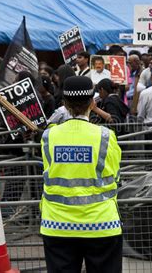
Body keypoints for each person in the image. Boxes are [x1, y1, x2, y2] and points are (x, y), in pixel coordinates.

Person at [40, 76, 122, 272]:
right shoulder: (105, 136)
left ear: (65, 104)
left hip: (57, 224)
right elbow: (115, 176)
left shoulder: (49, 136)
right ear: (92, 103)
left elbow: (49, 172)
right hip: (101, 223)